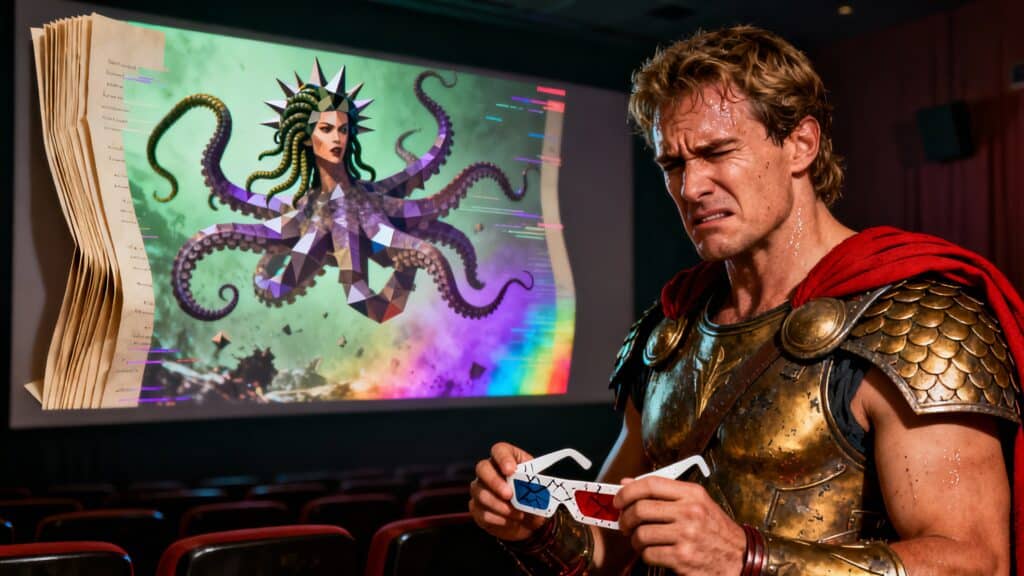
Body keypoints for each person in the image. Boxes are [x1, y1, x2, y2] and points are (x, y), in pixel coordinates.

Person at [470, 25, 1024, 575]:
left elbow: (975, 563)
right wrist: (534, 523)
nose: (691, 187)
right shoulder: (670, 334)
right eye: (673, 165)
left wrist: (746, 557)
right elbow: (609, 550)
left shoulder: (916, 322)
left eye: (717, 152)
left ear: (801, 145)